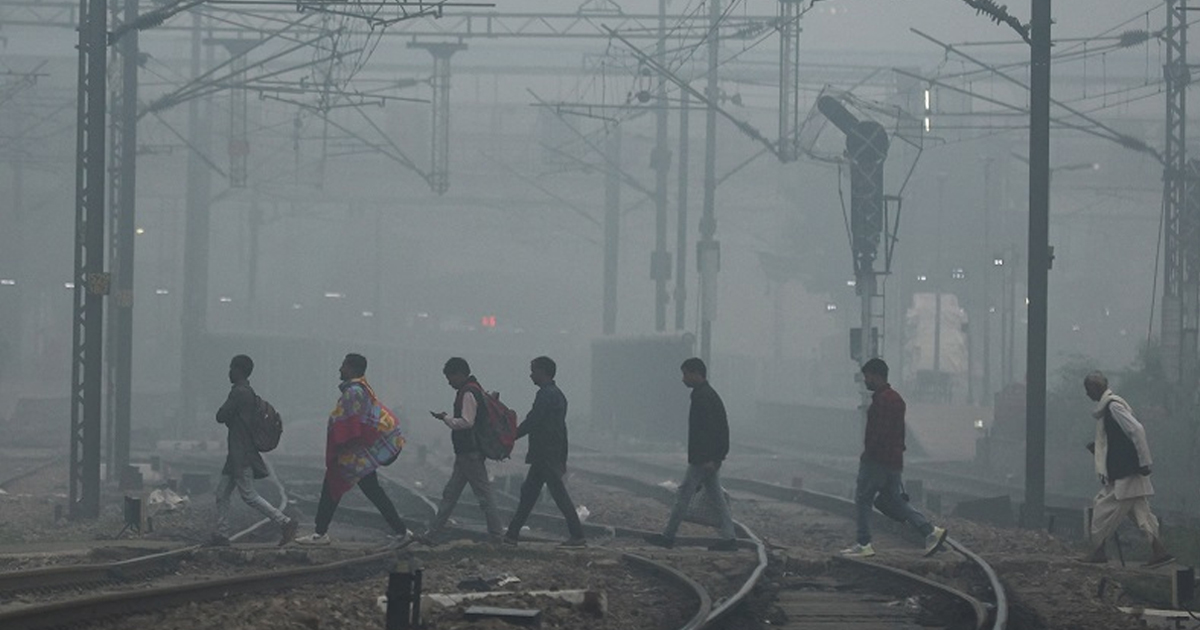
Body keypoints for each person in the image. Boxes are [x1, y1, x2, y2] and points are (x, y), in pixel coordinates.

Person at [295, 354, 411, 546]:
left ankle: (320, 534)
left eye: (343, 366)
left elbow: (349, 424)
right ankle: (401, 531)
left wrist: (340, 445)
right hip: (358, 454)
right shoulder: (362, 389)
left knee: (333, 488)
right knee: (369, 491)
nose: (340, 369)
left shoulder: (353, 392)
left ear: (351, 368)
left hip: (354, 455)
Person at [841, 358, 947, 558]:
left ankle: (863, 544)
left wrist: (868, 455)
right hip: (894, 461)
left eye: (867, 376)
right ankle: (931, 531)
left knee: (863, 499)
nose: (866, 381)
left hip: (876, 461)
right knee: (896, 501)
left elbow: (879, 434)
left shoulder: (882, 401)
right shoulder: (896, 399)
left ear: (876, 375)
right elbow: (898, 432)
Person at [1078, 371, 1173, 567]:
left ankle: (1098, 551)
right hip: (1127, 472)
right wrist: (1099, 451)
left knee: (1101, 508)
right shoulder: (1108, 410)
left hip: (1126, 473)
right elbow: (1118, 441)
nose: (1087, 395)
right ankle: (1159, 551)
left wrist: (1145, 461)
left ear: (1096, 388)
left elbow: (1136, 430)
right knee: (1142, 514)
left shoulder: (1114, 407)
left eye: (1088, 390)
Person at [644, 357, 738, 552]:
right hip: (707, 459)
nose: (683, 379)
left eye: (686, 374)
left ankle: (668, 537)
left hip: (702, 460)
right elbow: (720, 428)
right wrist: (718, 457)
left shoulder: (703, 397)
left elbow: (708, 430)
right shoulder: (707, 394)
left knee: (683, 497)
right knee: (717, 499)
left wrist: (711, 458)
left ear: (696, 373)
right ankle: (729, 538)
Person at [211, 354, 297, 546]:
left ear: (239, 370)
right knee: (222, 493)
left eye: (232, 368)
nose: (229, 372)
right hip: (236, 454)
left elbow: (221, 415)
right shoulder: (248, 392)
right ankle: (221, 534)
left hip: (241, 454)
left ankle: (285, 522)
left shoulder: (239, 392)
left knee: (248, 495)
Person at [502, 356, 586, 547]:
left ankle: (578, 535)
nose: (531, 375)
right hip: (547, 452)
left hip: (546, 453)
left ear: (543, 372)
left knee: (556, 493)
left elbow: (533, 420)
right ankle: (512, 534)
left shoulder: (546, 395)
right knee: (529, 493)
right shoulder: (556, 394)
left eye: (533, 371)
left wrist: (510, 436)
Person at [421, 357, 505, 542]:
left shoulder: (467, 392)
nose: (449, 382)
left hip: (470, 453)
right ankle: (433, 533)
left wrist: (446, 419)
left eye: (450, 377)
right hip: (466, 454)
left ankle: (498, 536)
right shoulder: (474, 388)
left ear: (459, 374)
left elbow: (467, 422)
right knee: (450, 494)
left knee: (483, 496)